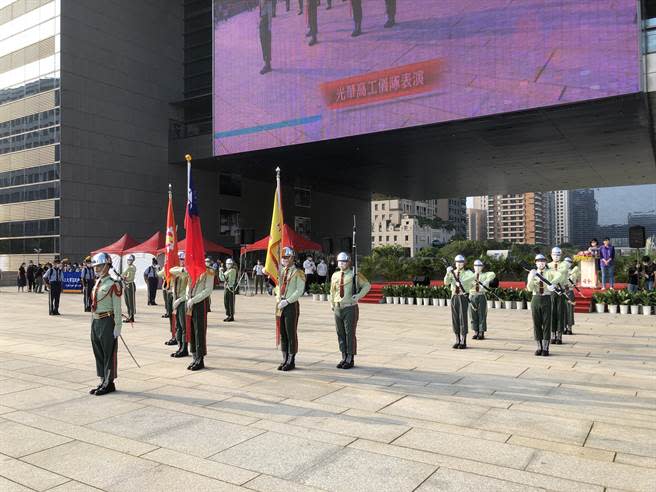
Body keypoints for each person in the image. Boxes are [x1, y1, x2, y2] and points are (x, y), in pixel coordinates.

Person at [88, 252, 122, 396]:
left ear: (107, 266)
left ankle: (109, 382)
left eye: (100, 266)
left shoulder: (113, 284)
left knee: (108, 353)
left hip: (107, 321)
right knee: (99, 352)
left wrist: (118, 326)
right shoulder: (98, 283)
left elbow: (117, 307)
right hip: (96, 321)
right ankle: (102, 380)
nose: (96, 268)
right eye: (95, 266)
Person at [329, 252, 370, 369]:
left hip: (350, 307)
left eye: (344, 261)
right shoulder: (335, 275)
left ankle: (350, 358)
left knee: (349, 333)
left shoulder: (354, 275)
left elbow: (367, 285)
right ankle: (343, 356)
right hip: (338, 307)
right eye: (339, 262)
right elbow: (332, 291)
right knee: (340, 333)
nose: (341, 264)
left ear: (348, 262)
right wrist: (331, 303)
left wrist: (357, 296)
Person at [274, 247, 305, 371]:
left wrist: (287, 300)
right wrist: (278, 298)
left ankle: (291, 360)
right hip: (280, 305)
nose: (284, 260)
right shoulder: (280, 272)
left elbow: (299, 290)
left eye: (287, 257)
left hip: (291, 305)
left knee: (290, 333)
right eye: (283, 258)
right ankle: (284, 358)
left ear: (292, 258)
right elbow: (277, 286)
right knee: (282, 333)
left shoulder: (298, 272)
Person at [185, 257, 215, 371]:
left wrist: (194, 300)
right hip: (190, 303)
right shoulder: (192, 270)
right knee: (191, 330)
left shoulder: (209, 271)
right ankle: (194, 356)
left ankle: (200, 359)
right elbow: (188, 284)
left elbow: (208, 290)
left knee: (199, 331)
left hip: (200, 304)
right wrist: (188, 297)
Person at [527, 254, 559, 357]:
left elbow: (559, 275)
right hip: (535, 298)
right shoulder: (533, 273)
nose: (541, 262)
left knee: (546, 323)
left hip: (546, 298)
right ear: (535, 262)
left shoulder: (550, 272)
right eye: (539, 261)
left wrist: (552, 283)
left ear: (545, 262)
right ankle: (539, 346)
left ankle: (546, 347)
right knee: (536, 323)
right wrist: (531, 278)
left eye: (543, 260)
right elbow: (529, 288)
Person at [444, 255, 475, 349]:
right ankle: (457, 339)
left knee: (463, 318)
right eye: (457, 262)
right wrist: (447, 273)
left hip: (462, 296)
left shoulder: (468, 272)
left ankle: (463, 340)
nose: (459, 264)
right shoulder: (452, 272)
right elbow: (446, 282)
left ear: (464, 263)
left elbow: (471, 278)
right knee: (455, 318)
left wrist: (460, 281)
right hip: (454, 296)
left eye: (461, 262)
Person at [168, 251, 189, 358]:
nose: (182, 261)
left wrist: (180, 300)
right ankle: (180, 347)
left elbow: (189, 292)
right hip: (176, 301)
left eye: (183, 259)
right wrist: (181, 269)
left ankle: (184, 348)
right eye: (180, 259)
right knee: (178, 326)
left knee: (183, 326)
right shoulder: (179, 270)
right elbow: (170, 270)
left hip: (183, 301)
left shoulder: (188, 272)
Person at [468, 259, 496, 341]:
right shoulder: (470, 276)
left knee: (482, 314)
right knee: (472, 314)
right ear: (473, 267)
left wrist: (486, 281)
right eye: (476, 266)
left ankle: (481, 332)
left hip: (481, 295)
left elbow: (493, 274)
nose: (477, 268)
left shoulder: (485, 275)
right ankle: (476, 331)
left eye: (479, 266)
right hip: (472, 295)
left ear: (482, 267)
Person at [548, 247, 569, 345]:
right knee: (552, 312)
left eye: (558, 255)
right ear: (551, 255)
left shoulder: (564, 264)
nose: (556, 257)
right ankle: (553, 334)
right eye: (554, 254)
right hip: (551, 291)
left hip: (560, 290)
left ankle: (559, 335)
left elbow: (559, 274)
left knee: (560, 313)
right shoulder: (548, 265)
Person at [563, 257, 579, 335]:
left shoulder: (573, 273)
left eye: (568, 262)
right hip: (562, 292)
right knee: (562, 311)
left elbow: (571, 283)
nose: (567, 264)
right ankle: (563, 327)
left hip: (569, 292)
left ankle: (569, 328)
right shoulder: (562, 272)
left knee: (569, 311)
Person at [219, 258, 237, 322]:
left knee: (230, 303)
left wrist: (221, 271)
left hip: (231, 288)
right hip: (227, 288)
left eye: (230, 264)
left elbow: (223, 277)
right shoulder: (228, 270)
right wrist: (221, 272)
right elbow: (222, 278)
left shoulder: (232, 270)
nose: (228, 265)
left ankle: (231, 316)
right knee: (226, 302)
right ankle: (228, 315)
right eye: (227, 264)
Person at [259, 0, 273, 74]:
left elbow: (267, 4)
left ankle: (267, 64)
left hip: (266, 17)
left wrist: (269, 25)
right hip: (263, 17)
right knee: (263, 40)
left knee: (265, 41)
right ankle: (267, 63)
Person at [121, 255, 136, 322]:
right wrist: (123, 278)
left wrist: (122, 276)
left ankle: (132, 316)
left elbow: (126, 274)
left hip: (130, 285)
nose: (129, 261)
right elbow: (125, 276)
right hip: (125, 285)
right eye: (128, 260)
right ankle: (129, 315)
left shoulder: (132, 267)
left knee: (131, 301)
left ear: (133, 261)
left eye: (130, 260)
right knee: (127, 301)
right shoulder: (127, 267)